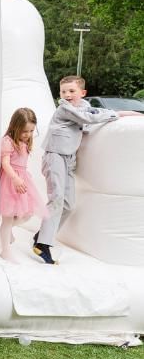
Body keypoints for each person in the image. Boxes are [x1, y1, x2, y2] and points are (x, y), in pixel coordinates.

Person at [32, 75, 143, 264]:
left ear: (82, 93)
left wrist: (125, 113)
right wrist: (114, 115)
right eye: (63, 91)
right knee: (56, 198)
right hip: (55, 156)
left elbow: (95, 112)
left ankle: (41, 236)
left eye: (71, 91)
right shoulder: (64, 109)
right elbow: (87, 118)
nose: (66, 95)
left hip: (69, 160)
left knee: (68, 204)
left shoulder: (83, 106)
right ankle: (43, 245)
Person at [0, 108, 47, 260]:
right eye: (25, 131)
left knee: (28, 214)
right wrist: (15, 178)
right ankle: (5, 250)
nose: (28, 135)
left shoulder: (24, 142)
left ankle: (7, 230)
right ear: (15, 126)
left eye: (31, 131)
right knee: (8, 217)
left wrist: (21, 179)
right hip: (10, 181)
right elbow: (5, 163)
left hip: (24, 180)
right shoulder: (8, 141)